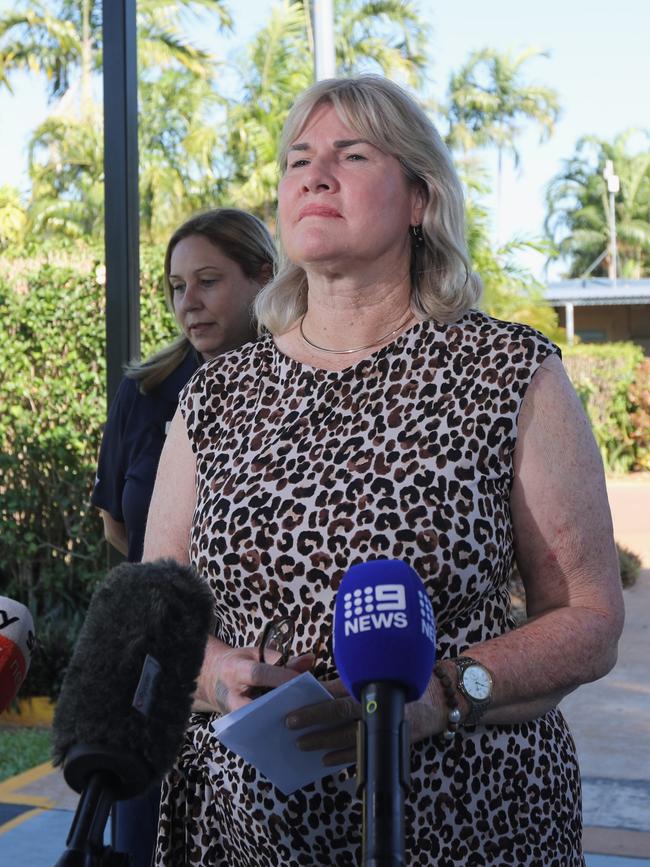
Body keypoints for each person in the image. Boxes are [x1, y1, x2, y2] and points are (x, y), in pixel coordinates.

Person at [143, 76, 624, 866]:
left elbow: (588, 615)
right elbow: (154, 612)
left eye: (351, 154)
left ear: (418, 199)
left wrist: (443, 693)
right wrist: (220, 676)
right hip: (242, 833)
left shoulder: (509, 369)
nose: (314, 175)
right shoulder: (219, 391)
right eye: (298, 160)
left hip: (467, 824)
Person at [91, 207, 276, 867]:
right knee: (142, 845)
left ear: (263, 276)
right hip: (155, 677)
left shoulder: (300, 388)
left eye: (207, 281)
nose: (188, 303)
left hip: (263, 679)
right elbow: (119, 523)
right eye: (175, 286)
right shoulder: (144, 391)